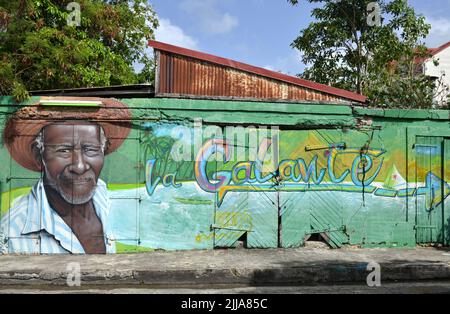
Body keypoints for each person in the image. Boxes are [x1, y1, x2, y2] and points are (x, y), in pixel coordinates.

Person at [0, 97, 131, 254]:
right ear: (38, 155)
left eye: (90, 149)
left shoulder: (107, 200)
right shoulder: (12, 233)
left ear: (103, 151)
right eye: (63, 150)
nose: (79, 166)